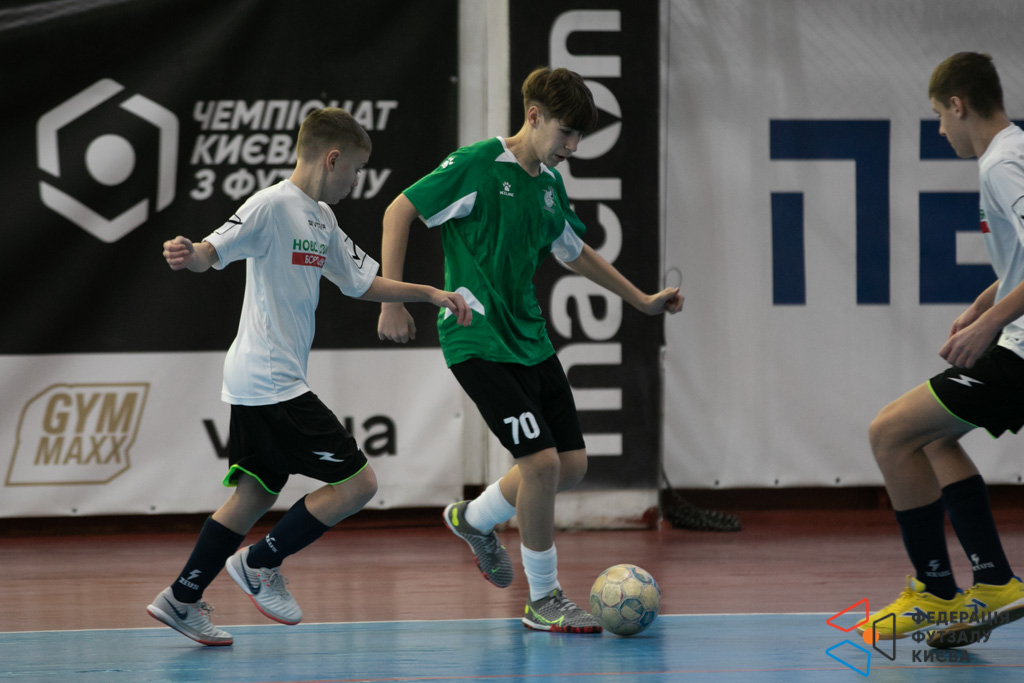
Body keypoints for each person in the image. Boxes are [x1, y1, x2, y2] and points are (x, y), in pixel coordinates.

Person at [146, 108, 471, 646]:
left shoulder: (322, 218)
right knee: (358, 484)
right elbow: (212, 251)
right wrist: (190, 254)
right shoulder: (271, 205)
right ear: (332, 159)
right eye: (356, 170)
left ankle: (181, 598)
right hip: (270, 378)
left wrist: (430, 293)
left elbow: (361, 282)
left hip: (264, 378)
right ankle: (261, 562)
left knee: (253, 496)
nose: (356, 181)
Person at [377, 67, 683, 633]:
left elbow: (575, 252)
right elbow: (399, 210)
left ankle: (474, 518)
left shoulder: (549, 185)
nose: (573, 146)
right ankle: (543, 599)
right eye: (567, 132)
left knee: (571, 465)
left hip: (530, 340)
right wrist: (393, 299)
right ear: (534, 116)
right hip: (475, 338)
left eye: (580, 137)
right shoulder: (477, 164)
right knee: (540, 465)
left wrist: (641, 300)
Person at [863, 52, 1024, 647]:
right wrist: (985, 303)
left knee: (889, 433)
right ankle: (995, 582)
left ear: (958, 105)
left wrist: (991, 325)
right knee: (932, 439)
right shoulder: (1015, 151)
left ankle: (934, 590)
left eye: (937, 114)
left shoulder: (1002, 164)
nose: (939, 129)